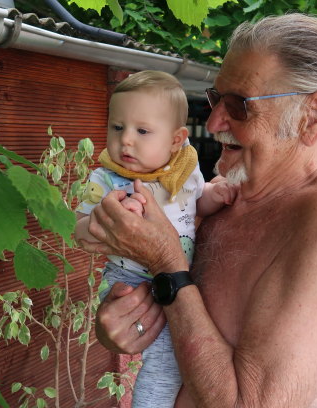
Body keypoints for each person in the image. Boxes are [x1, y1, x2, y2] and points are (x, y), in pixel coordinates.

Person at [80, 14, 317, 408]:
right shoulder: (221, 196)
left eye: (239, 105)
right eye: (216, 98)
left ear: (313, 116)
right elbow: (176, 312)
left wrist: (165, 262)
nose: (215, 120)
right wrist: (124, 324)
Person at [75, 70, 236, 407]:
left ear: (177, 140)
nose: (126, 140)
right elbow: (78, 227)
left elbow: (195, 200)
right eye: (117, 127)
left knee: (168, 360)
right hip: (129, 281)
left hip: (176, 282)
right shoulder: (107, 179)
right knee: (165, 357)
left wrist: (214, 197)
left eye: (142, 131)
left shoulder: (185, 171)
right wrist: (105, 220)